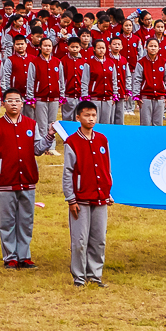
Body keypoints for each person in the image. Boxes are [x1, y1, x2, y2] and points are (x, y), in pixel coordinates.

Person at [0, 88, 53, 269]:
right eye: (10, 100)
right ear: (3, 104)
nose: (14, 103)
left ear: (22, 103)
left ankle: (24, 256)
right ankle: (10, 257)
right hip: (6, 181)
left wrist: (50, 135)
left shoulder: (31, 124)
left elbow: (38, 149)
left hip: (28, 181)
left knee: (26, 220)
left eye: (17, 100)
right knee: (7, 221)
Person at [61, 99, 112, 287]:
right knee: (80, 240)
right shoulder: (72, 142)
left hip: (100, 197)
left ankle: (95, 275)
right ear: (78, 117)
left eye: (93, 115)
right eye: (87, 115)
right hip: (80, 198)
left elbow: (107, 167)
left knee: (99, 239)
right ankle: (79, 278)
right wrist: (70, 198)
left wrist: (108, 191)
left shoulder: (102, 140)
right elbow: (68, 172)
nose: (91, 119)